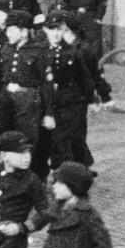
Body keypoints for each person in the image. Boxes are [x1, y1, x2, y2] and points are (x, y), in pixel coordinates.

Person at [0, 11, 54, 178]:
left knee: (26, 143)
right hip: (6, 100)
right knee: (5, 140)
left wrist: (49, 114)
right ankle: (9, 178)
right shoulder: (5, 49)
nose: (7, 33)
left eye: (11, 30)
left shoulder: (39, 52)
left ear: (24, 32)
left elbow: (46, 84)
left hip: (28, 101)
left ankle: (26, 182)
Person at [42, 13, 99, 170]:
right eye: (52, 29)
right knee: (55, 140)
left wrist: (91, 100)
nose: (56, 34)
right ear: (45, 30)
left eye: (59, 29)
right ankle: (61, 171)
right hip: (49, 101)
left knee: (75, 138)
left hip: (72, 101)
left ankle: (78, 170)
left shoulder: (73, 52)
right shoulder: (40, 51)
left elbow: (85, 78)